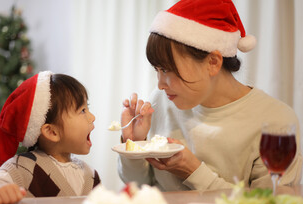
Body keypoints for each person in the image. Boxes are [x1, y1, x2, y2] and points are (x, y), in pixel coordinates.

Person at [118, 0, 302, 191]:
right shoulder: (161, 101)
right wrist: (134, 147)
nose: (160, 84)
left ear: (213, 62)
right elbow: (139, 186)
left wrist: (194, 172)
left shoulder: (275, 121)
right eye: (157, 69)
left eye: (167, 69)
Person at [0, 71, 100, 204]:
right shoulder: (24, 168)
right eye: (82, 111)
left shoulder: (90, 175)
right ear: (52, 132)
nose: (92, 117)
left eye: (87, 108)